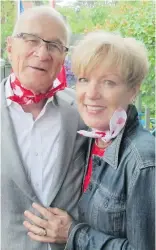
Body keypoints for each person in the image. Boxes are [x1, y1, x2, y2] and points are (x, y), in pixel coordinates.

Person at [23, 31, 155, 250]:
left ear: (133, 91)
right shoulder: (88, 139)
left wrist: (73, 234)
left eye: (108, 82)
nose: (91, 94)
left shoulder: (143, 162)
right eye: (84, 80)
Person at [1, 6, 88, 250]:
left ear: (63, 57)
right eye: (32, 40)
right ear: (10, 47)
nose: (42, 53)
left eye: (54, 45)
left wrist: (75, 232)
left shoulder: (83, 110)